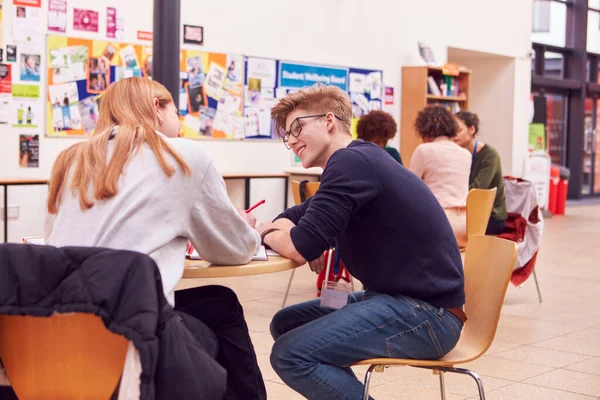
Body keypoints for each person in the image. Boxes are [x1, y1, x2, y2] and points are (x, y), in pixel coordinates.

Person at [45, 77, 266, 400]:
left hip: (52, 332)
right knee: (222, 311)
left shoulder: (69, 161)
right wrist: (244, 227)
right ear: (156, 109)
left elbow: (54, 246)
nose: (181, 123)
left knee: (217, 302)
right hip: (132, 336)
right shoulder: (181, 155)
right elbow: (235, 249)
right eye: (177, 112)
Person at [256, 84, 465, 399]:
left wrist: (262, 230)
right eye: (287, 135)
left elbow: (301, 247)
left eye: (297, 127)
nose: (292, 140)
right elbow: (293, 216)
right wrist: (283, 230)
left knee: (290, 353)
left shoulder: (351, 163)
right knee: (287, 322)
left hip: (426, 314)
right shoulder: (353, 163)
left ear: (328, 121)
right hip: (387, 299)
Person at [410, 105, 471, 247]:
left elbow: (409, 190)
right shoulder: (465, 154)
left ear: (424, 130)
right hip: (466, 226)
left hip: (437, 225)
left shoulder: (423, 150)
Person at [454, 111, 507, 234]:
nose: (454, 135)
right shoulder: (458, 154)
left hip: (491, 216)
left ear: (471, 129)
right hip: (467, 210)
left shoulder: (490, 155)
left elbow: (477, 189)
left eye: (458, 130)